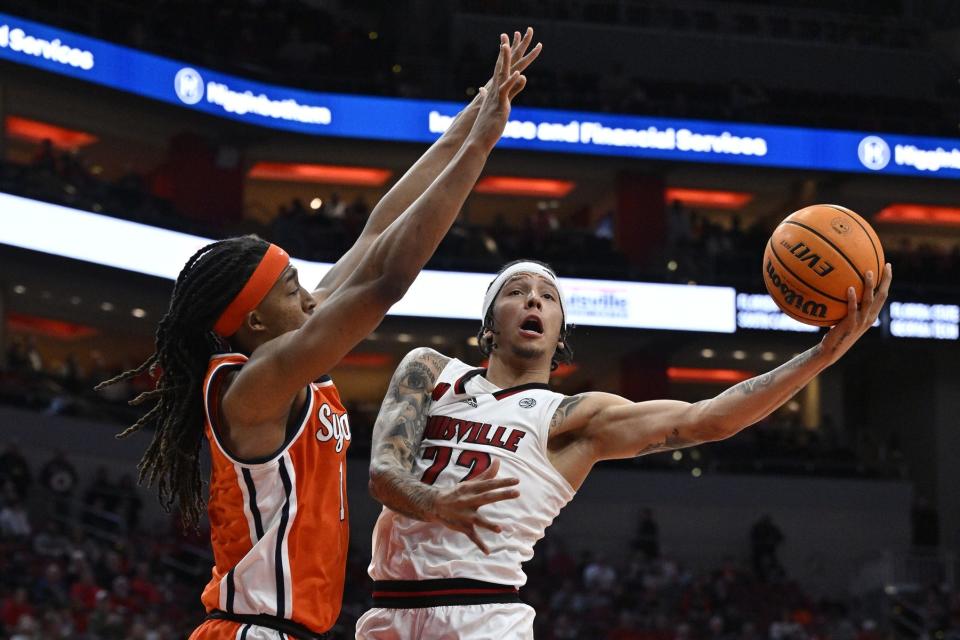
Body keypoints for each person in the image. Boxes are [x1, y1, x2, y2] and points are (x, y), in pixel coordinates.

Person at [98, 30, 541, 640]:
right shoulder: (254, 384)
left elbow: (377, 230)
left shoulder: (288, 343)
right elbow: (387, 278)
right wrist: (482, 149)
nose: (311, 296)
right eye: (291, 290)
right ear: (254, 322)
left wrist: (477, 112)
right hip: (252, 630)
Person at [360, 259, 892, 638]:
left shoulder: (576, 418)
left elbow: (707, 421)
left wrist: (820, 357)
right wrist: (434, 504)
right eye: (517, 291)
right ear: (489, 323)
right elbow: (383, 471)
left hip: (481, 617)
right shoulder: (430, 371)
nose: (533, 301)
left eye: (547, 297)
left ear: (559, 328)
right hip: (388, 611)